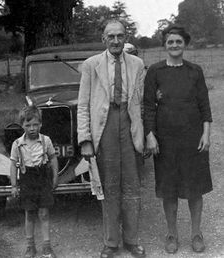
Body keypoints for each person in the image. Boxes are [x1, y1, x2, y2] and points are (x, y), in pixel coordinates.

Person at [77, 19, 146, 258]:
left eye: (120, 36)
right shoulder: (91, 65)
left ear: (125, 37)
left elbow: (142, 103)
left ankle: (132, 240)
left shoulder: (137, 63)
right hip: (104, 126)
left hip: (129, 123)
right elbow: (84, 104)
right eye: (111, 36)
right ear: (103, 39)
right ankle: (111, 242)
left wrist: (146, 134)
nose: (116, 41)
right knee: (109, 186)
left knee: (132, 185)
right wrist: (85, 139)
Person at [143, 24, 213, 254]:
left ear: (185, 44)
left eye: (178, 42)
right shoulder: (155, 71)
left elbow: (205, 106)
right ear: (165, 45)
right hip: (165, 140)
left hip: (193, 138)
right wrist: (150, 135)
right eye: (170, 42)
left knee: (195, 189)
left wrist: (206, 133)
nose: (174, 45)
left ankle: (196, 233)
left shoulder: (195, 71)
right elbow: (148, 106)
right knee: (169, 189)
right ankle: (171, 234)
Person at [10, 105, 58, 258]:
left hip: (43, 178)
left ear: (40, 124)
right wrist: (13, 186)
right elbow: (13, 165)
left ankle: (47, 246)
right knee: (29, 213)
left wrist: (55, 177)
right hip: (27, 180)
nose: (32, 128)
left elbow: (53, 158)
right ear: (22, 125)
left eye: (35, 125)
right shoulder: (17, 144)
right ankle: (30, 246)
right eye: (28, 125)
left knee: (44, 213)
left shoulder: (46, 140)